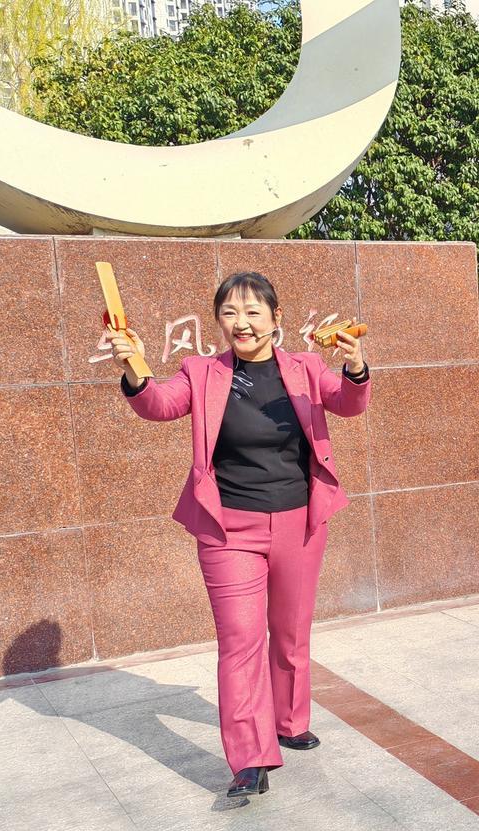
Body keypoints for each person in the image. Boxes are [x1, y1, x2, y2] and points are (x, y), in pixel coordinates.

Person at [111, 271, 371, 800]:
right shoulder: (201, 371)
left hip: (300, 522)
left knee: (291, 630)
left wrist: (355, 367)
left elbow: (348, 403)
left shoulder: (305, 368)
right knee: (240, 641)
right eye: (230, 312)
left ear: (276, 319)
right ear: (218, 321)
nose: (242, 322)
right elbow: (159, 405)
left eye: (253, 312)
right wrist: (134, 368)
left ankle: (289, 720)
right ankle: (250, 758)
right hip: (228, 528)